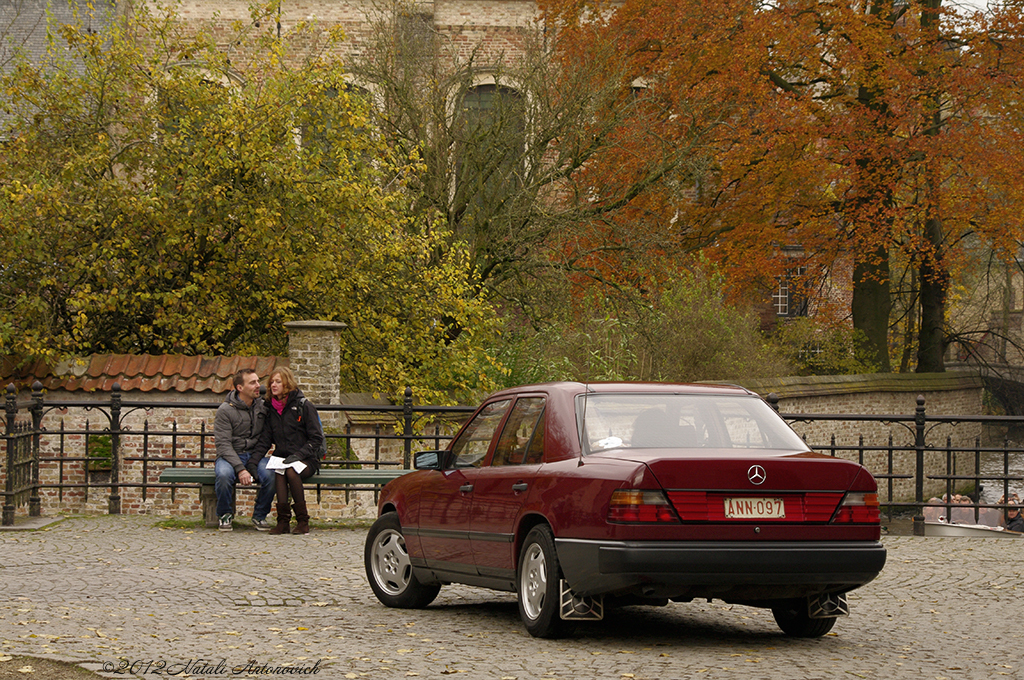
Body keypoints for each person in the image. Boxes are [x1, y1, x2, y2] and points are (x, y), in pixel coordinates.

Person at [251, 366, 324, 535]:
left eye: (278, 382)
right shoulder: (271, 409)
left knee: (291, 471)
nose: (274, 385)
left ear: (287, 384)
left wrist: (298, 455)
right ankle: (283, 522)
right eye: (271, 383)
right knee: (280, 472)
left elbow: (316, 438)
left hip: (306, 458)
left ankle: (302, 521)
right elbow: (265, 440)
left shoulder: (304, 406)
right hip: (283, 457)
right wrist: (253, 461)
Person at [214, 368, 273, 531]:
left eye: (258, 381)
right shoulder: (225, 411)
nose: (258, 386)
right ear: (240, 388)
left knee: (271, 474)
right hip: (231, 456)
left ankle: (260, 515)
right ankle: (225, 514)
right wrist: (240, 469)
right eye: (252, 382)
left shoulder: (262, 406)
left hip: (256, 455)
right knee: (224, 475)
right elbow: (223, 445)